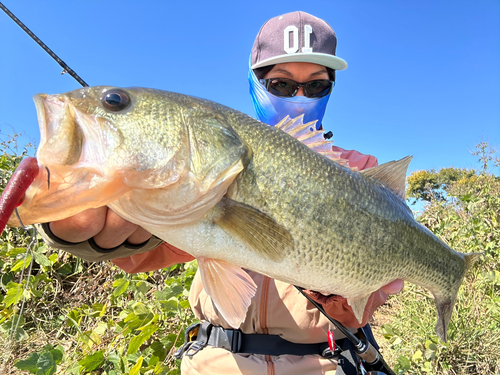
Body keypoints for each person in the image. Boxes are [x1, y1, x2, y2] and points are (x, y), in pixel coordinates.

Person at [38, 11, 403, 375]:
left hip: (324, 363)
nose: (300, 96)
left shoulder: (362, 173)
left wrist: (344, 304)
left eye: (317, 85)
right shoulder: (210, 163)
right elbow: (142, 255)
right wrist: (87, 232)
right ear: (254, 82)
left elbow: (367, 304)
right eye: (281, 84)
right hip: (215, 361)